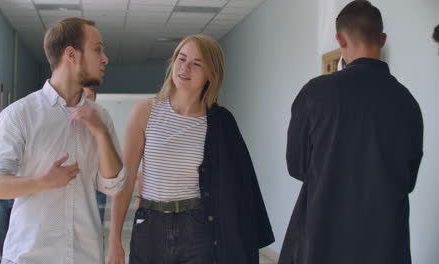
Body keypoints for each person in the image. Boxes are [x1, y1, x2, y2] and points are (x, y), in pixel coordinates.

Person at [107, 34, 274, 264]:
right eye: (181, 59)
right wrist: (114, 240)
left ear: (210, 74)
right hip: (150, 224)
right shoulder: (146, 112)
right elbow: (125, 182)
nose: (185, 68)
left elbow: (241, 186)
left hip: (196, 226)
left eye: (196, 64)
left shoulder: (219, 122)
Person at [279, 1, 423, 264]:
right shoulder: (407, 103)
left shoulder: (315, 93)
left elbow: (297, 166)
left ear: (339, 39)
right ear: (382, 38)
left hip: (324, 237)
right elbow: (408, 180)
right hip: (385, 243)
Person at [0, 17, 125, 264]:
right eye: (97, 49)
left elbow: (112, 186)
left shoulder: (101, 117)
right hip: (29, 257)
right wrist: (44, 181)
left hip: (86, 256)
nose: (105, 59)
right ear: (71, 54)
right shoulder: (19, 114)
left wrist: (101, 134)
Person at [83, 86, 108, 224]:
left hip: (96, 187)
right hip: (71, 187)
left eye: (88, 97)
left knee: (96, 232)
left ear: (94, 99)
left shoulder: (102, 123)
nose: (84, 101)